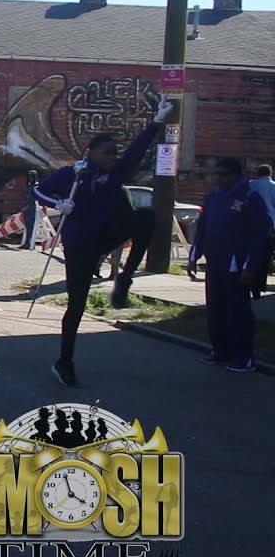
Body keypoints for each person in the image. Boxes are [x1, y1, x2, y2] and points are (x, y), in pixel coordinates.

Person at [34, 103, 169, 387]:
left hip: (104, 235)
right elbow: (37, 190)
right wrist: (58, 203)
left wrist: (156, 122)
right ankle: (64, 362)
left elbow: (136, 151)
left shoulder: (115, 173)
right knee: (77, 304)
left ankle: (125, 278)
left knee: (146, 217)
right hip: (79, 245)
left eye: (113, 153)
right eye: (106, 152)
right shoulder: (71, 174)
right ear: (90, 152)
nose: (111, 157)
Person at [190, 158, 271, 372]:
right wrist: (194, 256)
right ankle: (221, 350)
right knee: (215, 308)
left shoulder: (250, 197)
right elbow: (202, 228)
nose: (218, 178)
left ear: (236, 175)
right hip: (215, 262)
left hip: (237, 265)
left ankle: (243, 356)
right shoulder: (213, 197)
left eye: (223, 174)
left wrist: (251, 266)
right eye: (216, 174)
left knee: (237, 311)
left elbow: (260, 235)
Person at [246, 164, 275, 299]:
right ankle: (259, 286)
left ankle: (249, 281)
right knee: (265, 257)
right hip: (270, 227)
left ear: (257, 173)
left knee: (250, 255)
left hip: (250, 225)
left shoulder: (250, 185)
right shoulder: (273, 186)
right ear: (270, 174)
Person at [19, 170, 40, 250]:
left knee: (31, 226)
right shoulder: (28, 185)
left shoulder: (36, 186)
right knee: (27, 226)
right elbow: (25, 196)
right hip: (26, 207)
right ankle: (27, 242)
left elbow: (34, 197)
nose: (30, 178)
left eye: (31, 177)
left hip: (32, 207)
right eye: (29, 177)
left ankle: (31, 243)